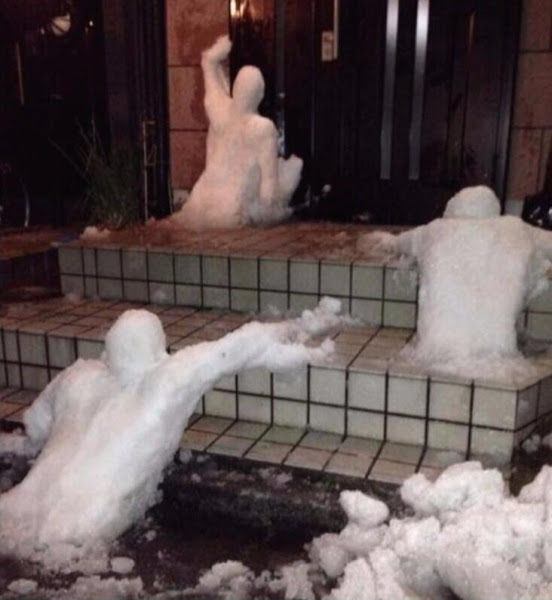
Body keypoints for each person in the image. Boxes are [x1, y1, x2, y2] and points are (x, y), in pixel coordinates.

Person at [0, 301, 338, 563]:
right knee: (84, 517)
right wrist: (296, 333)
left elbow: (39, 420)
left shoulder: (80, 377)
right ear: (156, 347)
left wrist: (28, 442)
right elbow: (233, 350)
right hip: (87, 524)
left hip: (21, 506)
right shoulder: (166, 381)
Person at [358, 186, 552, 370]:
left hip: (435, 351)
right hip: (499, 351)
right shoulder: (518, 230)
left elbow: (395, 243)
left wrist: (379, 239)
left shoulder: (432, 231)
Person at [170, 35, 303, 229]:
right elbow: (268, 187)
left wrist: (212, 60)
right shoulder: (263, 128)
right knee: (293, 168)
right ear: (260, 95)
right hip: (236, 206)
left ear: (235, 89)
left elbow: (211, 84)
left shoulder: (220, 112)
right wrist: (273, 209)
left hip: (204, 201)